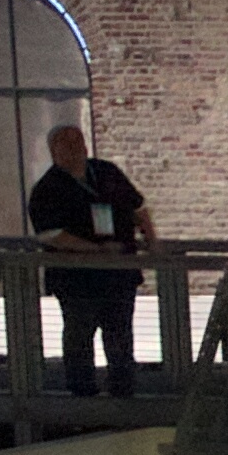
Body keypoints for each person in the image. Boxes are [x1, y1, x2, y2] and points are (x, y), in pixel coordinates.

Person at [27, 123, 152, 398]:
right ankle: (82, 394)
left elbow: (137, 206)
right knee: (79, 335)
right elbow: (52, 235)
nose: (75, 148)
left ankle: (123, 391)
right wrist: (95, 250)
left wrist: (151, 239)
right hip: (77, 279)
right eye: (67, 143)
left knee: (120, 335)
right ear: (54, 150)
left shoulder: (106, 172)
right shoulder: (48, 189)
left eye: (78, 141)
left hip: (119, 275)